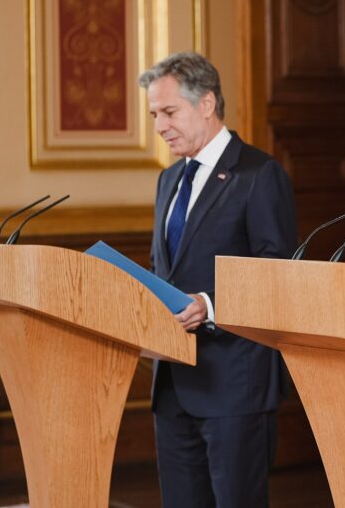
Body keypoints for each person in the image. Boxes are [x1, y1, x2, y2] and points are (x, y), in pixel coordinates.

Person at [138, 52, 297, 507]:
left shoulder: (259, 175)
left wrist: (209, 304)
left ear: (206, 104)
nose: (160, 126)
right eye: (154, 115)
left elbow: (280, 276)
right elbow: (160, 269)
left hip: (234, 388)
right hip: (171, 387)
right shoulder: (168, 180)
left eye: (169, 112)